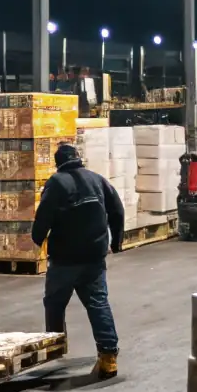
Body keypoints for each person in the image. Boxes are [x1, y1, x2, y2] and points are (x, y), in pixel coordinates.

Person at [31, 142, 124, 378]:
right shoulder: (97, 179)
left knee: (54, 302)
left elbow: (44, 216)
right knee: (98, 303)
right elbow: (118, 210)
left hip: (64, 258)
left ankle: (54, 346)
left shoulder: (57, 182)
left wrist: (37, 238)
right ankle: (108, 357)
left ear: (58, 162)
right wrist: (116, 242)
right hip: (94, 257)